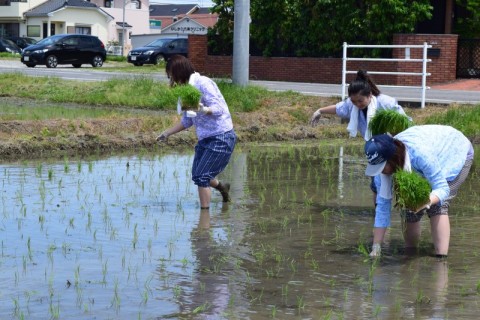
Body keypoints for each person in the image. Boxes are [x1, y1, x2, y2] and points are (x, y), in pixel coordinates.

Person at [364, 125, 474, 258]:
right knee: (409, 209)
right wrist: (376, 247)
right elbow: (382, 207)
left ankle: (440, 261)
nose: (380, 171)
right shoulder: (381, 174)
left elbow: (442, 188)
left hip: (454, 152)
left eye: (382, 167)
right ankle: (410, 253)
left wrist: (425, 203)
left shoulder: (420, 154)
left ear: (393, 158)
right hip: (429, 155)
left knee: (438, 205)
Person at [157, 55, 237, 210]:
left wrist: (203, 109)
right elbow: (187, 121)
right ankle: (222, 187)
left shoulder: (203, 83)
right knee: (198, 175)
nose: (171, 81)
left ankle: (204, 220)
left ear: (180, 72)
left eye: (172, 76)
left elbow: (220, 109)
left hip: (221, 136)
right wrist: (166, 133)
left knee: (202, 176)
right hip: (205, 139)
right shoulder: (187, 91)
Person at [310, 70, 410, 141]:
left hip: (397, 141)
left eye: (360, 101)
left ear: (370, 95)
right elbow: (338, 108)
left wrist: (393, 134)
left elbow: (405, 123)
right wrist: (320, 111)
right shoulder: (351, 104)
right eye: (354, 101)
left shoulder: (385, 103)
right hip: (374, 144)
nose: (357, 104)